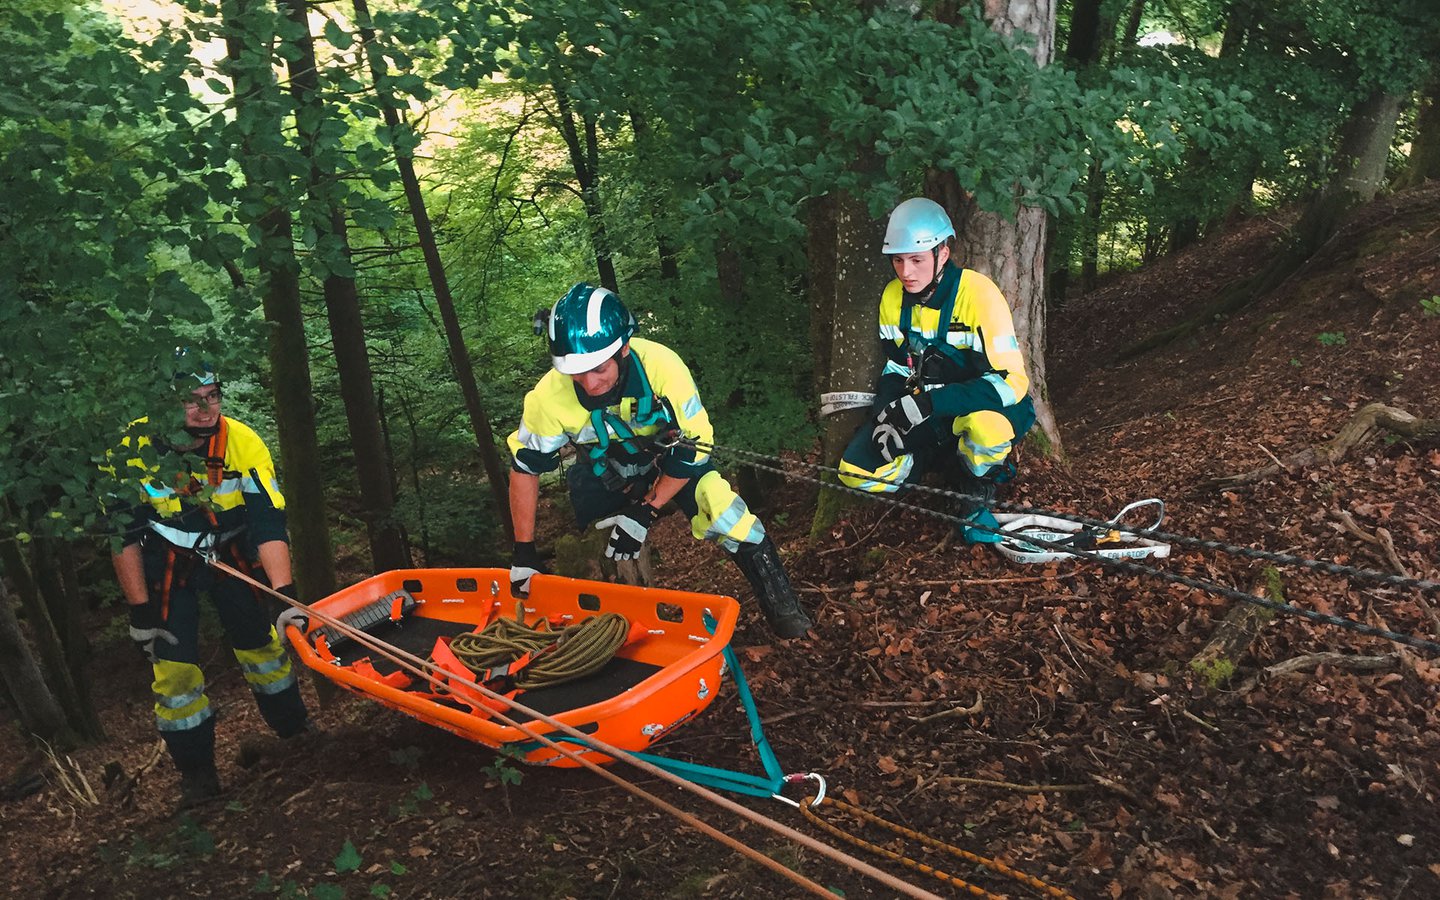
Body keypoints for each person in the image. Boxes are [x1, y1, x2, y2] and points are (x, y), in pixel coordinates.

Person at [506, 283, 813, 639]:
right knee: (604, 552)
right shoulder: (548, 397)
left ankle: (787, 616)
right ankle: (622, 639)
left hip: (668, 462)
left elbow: (695, 448)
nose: (589, 384)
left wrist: (647, 510)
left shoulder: (662, 368)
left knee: (727, 512)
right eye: (575, 372)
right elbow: (525, 468)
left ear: (622, 349)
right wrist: (524, 552)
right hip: (602, 475)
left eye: (599, 369)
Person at [109, 352, 309, 807]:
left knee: (262, 646)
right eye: (190, 400)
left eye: (212, 396)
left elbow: (268, 523)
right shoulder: (130, 450)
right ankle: (197, 775)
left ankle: (295, 731)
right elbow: (121, 535)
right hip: (167, 559)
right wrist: (140, 610)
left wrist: (283, 596)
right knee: (175, 671)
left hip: (233, 550)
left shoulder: (242, 442)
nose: (205, 408)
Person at [837, 198, 1036, 542]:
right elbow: (898, 364)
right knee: (853, 470)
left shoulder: (978, 295)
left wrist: (931, 405)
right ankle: (925, 464)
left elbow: (1013, 381)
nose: (906, 272)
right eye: (898, 260)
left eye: (916, 259)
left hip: (979, 404)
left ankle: (974, 482)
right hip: (923, 410)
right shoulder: (892, 298)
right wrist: (887, 412)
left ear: (942, 253)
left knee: (988, 431)